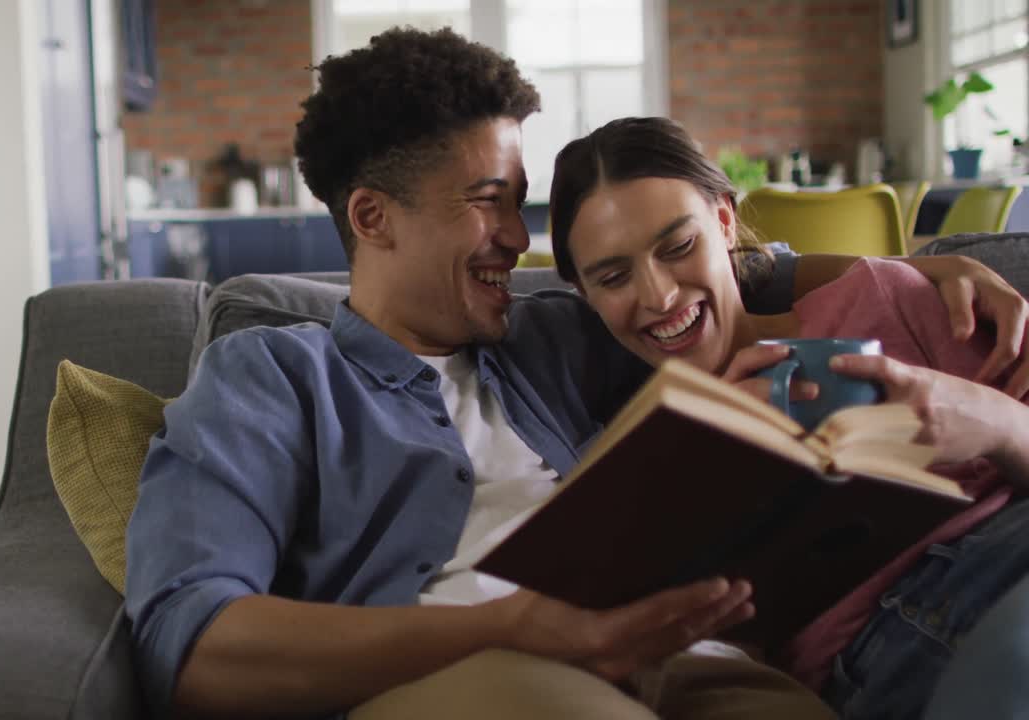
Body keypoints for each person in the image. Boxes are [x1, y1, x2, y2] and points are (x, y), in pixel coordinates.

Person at [124, 29, 1029, 720]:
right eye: (490, 204)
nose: (519, 240)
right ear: (372, 216)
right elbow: (192, 641)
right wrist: (511, 625)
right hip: (476, 667)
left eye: (518, 205)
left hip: (699, 657)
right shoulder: (272, 375)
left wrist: (932, 266)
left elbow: (718, 274)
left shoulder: (553, 334)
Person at [548, 115, 1029, 719]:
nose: (659, 296)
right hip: (895, 634)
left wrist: (992, 419)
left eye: (678, 247)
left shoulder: (882, 297)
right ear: (583, 294)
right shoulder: (640, 450)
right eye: (613, 277)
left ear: (724, 221)